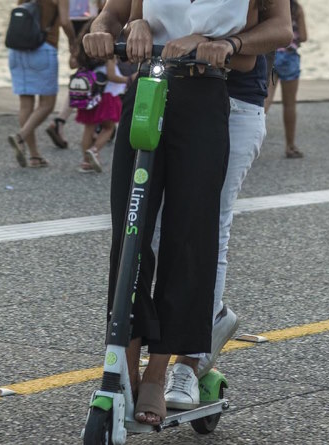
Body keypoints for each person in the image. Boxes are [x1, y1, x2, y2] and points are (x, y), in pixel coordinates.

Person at [83, 0, 251, 426]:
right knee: (130, 231)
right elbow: (115, 13)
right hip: (148, 89)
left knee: (189, 236)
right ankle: (126, 365)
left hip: (205, 93)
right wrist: (108, 29)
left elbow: (264, 40)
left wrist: (225, 43)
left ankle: (158, 373)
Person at [153, 0, 293, 413]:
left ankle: (189, 360)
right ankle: (210, 317)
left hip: (234, 105)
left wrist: (232, 42)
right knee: (156, 231)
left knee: (207, 227)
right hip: (172, 95)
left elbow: (281, 29)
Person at [7, 0, 70, 168]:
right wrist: (73, 43)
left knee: (25, 105)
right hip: (43, 49)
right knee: (47, 104)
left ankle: (34, 156)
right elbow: (65, 21)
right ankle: (20, 137)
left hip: (17, 50)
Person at [44, 0, 107, 149]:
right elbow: (105, 5)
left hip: (75, 23)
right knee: (101, 74)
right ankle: (98, 125)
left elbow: (65, 19)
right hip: (93, 21)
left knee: (82, 74)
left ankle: (60, 120)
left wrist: (72, 43)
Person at [72, 33, 128, 173]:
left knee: (88, 129)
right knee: (108, 128)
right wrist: (129, 80)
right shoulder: (107, 54)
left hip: (90, 95)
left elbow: (72, 64)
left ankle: (85, 162)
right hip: (107, 95)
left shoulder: (85, 51)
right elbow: (112, 76)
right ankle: (94, 149)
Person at [264, 0, 307, 158]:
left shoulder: (271, 6)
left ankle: (253, 139)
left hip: (273, 57)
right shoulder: (297, 9)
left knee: (266, 99)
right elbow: (303, 36)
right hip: (289, 58)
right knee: (289, 104)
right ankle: (290, 146)